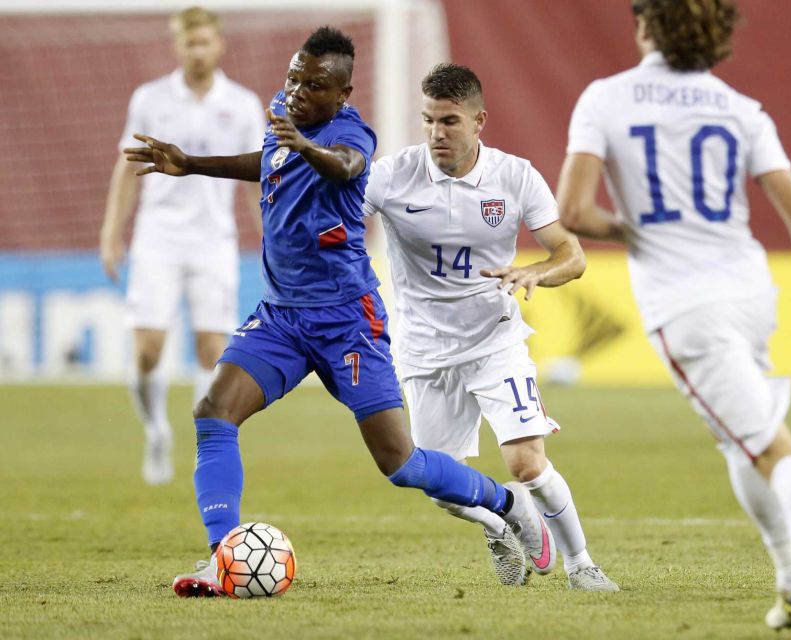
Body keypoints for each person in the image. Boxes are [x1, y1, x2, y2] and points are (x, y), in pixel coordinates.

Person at [556, 0, 791, 634]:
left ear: (647, 25)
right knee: (740, 436)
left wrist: (640, 233)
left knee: (770, 449)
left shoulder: (606, 98)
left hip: (686, 309)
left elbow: (573, 210)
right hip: (750, 293)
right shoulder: (739, 108)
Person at [124, 26, 553, 598]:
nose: (297, 92)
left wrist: (305, 147)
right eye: (292, 78)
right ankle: (222, 559)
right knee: (213, 412)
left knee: (400, 463)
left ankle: (507, 502)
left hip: (348, 319)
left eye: (313, 85)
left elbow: (346, 166)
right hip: (282, 315)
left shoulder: (352, 133)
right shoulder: (285, 113)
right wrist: (192, 163)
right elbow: (270, 160)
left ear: (344, 94)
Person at [362, 63, 619, 592]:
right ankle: (501, 524)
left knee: (528, 464)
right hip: (424, 349)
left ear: (480, 121)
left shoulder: (515, 176)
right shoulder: (392, 175)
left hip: (495, 340)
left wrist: (535, 273)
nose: (436, 133)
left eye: (450, 121)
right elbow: (337, 211)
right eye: (429, 120)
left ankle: (583, 566)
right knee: (440, 488)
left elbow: (571, 255)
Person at [99, 6, 264, 485]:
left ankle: (202, 443)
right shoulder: (151, 99)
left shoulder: (243, 103)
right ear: (178, 46)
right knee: (148, 348)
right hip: (159, 236)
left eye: (205, 42)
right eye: (189, 43)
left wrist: (270, 237)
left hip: (214, 239)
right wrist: (113, 231)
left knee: (212, 349)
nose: (198, 51)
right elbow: (127, 168)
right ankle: (155, 431)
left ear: (219, 44)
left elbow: (257, 177)